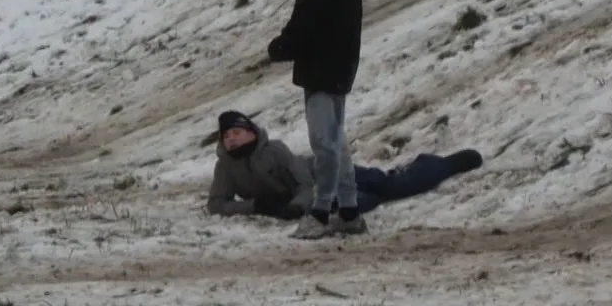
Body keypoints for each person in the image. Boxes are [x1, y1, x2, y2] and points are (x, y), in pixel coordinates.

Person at [268, 0, 365, 239]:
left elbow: (309, 19)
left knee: (324, 141)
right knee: (335, 139)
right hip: (337, 66)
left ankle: (322, 211)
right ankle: (350, 210)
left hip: (324, 68)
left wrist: (285, 46)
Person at [204, 111, 481, 221]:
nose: (231, 139)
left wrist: (296, 207)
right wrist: (255, 206)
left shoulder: (275, 149)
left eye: (236, 132)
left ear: (251, 132)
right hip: (320, 198)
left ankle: (444, 164)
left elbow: (305, 183)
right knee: (354, 206)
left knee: (393, 186)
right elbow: (217, 203)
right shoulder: (226, 167)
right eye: (226, 136)